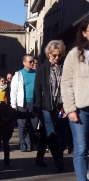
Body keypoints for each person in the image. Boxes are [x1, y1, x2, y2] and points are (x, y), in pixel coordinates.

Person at [61, 19, 89, 181]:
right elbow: (66, 83)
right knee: (81, 148)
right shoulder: (75, 54)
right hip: (81, 108)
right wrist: (70, 108)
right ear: (84, 32)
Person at [33, 40, 66, 172]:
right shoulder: (42, 69)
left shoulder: (63, 67)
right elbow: (37, 89)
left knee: (47, 132)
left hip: (58, 105)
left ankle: (39, 157)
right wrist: (37, 107)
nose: (57, 58)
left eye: (59, 55)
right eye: (54, 55)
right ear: (48, 54)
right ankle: (58, 159)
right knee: (51, 131)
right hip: (46, 105)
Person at [0, 103, 33, 167]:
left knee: (6, 146)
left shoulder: (13, 113)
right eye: (4, 118)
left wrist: (31, 114)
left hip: (7, 132)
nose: (6, 119)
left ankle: (7, 161)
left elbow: (22, 114)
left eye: (8, 118)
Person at [11, 54, 38, 152]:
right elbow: (13, 91)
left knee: (34, 124)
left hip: (35, 103)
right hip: (22, 104)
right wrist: (13, 105)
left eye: (33, 62)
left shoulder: (36, 73)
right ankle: (22, 141)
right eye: (30, 61)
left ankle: (29, 139)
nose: (32, 63)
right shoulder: (18, 75)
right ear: (24, 62)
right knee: (22, 124)